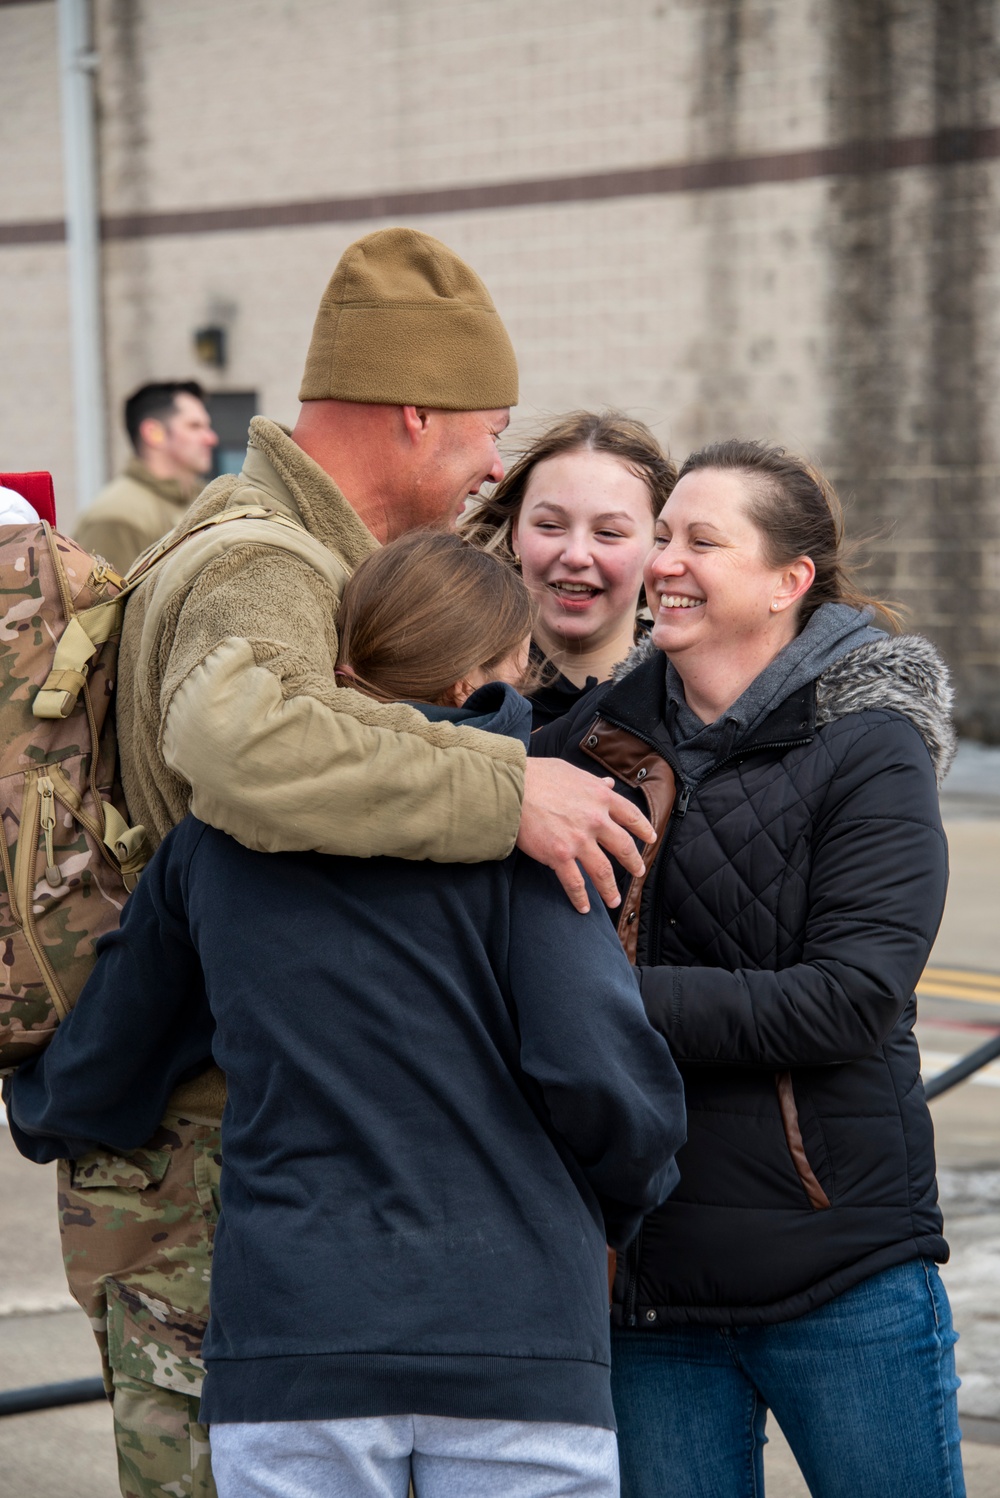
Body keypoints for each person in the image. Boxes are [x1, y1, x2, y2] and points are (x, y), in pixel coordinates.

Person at [56, 227, 655, 1498]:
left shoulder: (283, 546)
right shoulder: (263, 559)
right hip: (214, 1171)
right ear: (414, 413)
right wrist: (509, 784)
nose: (498, 462)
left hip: (244, 1159)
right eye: (490, 429)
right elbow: (240, 743)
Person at [9, 533, 687, 1498]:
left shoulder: (219, 842)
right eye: (515, 668)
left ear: (343, 666)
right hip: (515, 1337)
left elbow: (111, 1058)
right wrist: (612, 1204)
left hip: (294, 1342)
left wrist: (38, 1108)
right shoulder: (536, 833)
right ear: (474, 682)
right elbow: (602, 1078)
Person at [536, 438, 963, 1498]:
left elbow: (849, 1000)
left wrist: (598, 1004)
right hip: (647, 1276)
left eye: (701, 541)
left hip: (840, 1270)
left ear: (787, 582)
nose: (664, 562)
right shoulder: (593, 745)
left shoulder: (868, 745)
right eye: (663, 536)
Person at [462, 411, 676, 726]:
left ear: (658, 546)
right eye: (550, 526)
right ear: (516, 535)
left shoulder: (698, 695)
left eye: (608, 533)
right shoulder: (454, 689)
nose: (576, 556)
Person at [74, 381, 219, 572]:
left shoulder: (208, 501)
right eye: (194, 426)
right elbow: (101, 601)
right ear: (153, 433)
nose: (211, 439)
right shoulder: (117, 517)